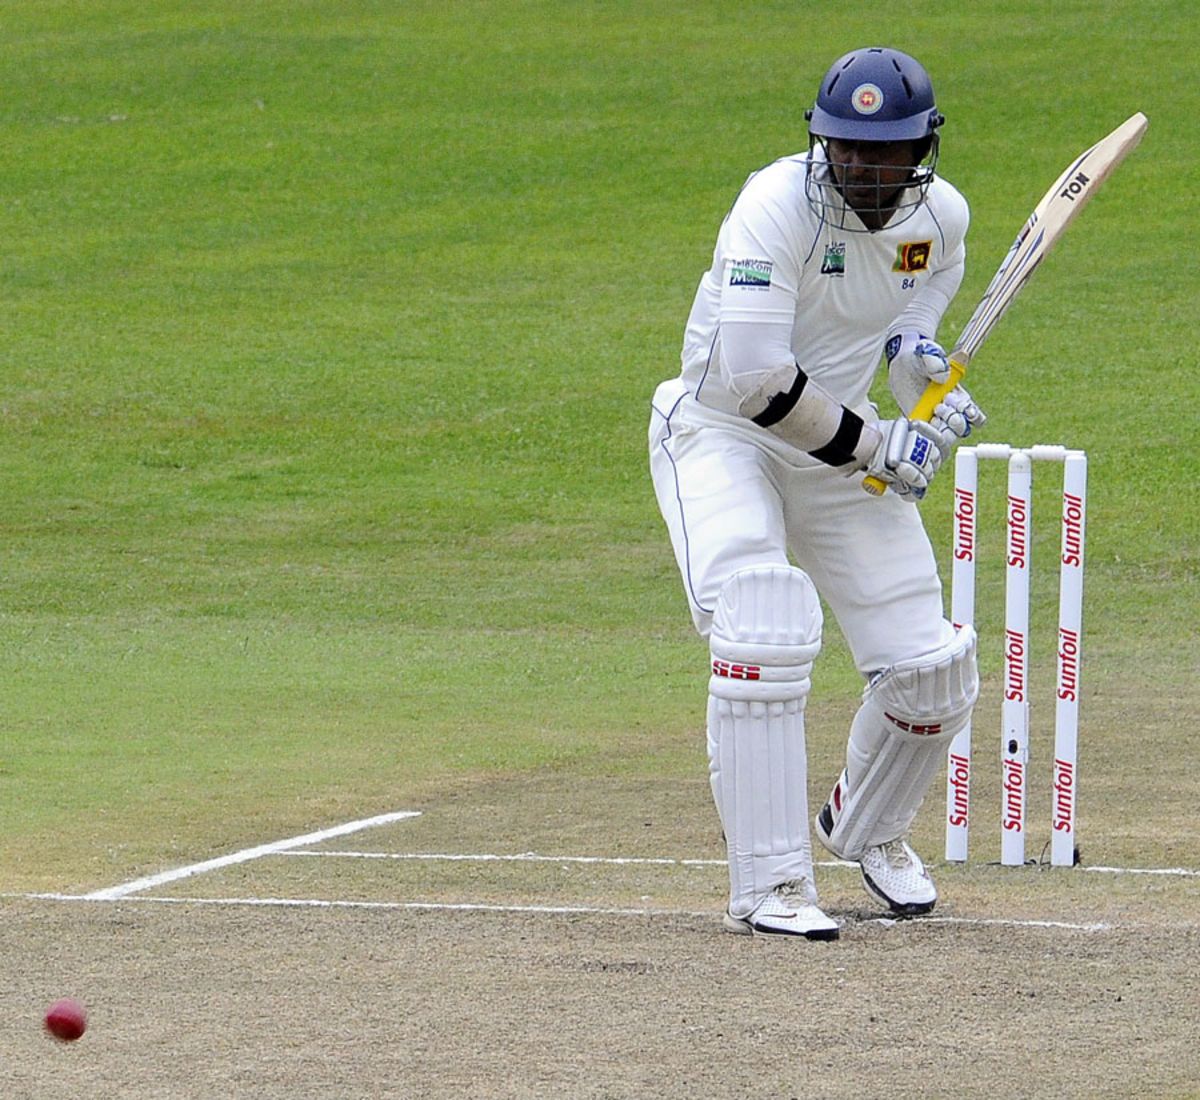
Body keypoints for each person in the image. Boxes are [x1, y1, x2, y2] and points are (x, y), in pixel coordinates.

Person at [648, 46, 986, 940]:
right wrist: (883, 442)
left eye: (884, 153)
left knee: (932, 672)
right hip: (722, 435)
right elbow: (756, 378)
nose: (863, 168)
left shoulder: (941, 222)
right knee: (761, 618)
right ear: (820, 141)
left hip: (835, 450)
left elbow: (908, 335)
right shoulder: (775, 206)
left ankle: (867, 830)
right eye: (846, 148)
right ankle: (768, 884)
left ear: (923, 150)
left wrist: (931, 397)